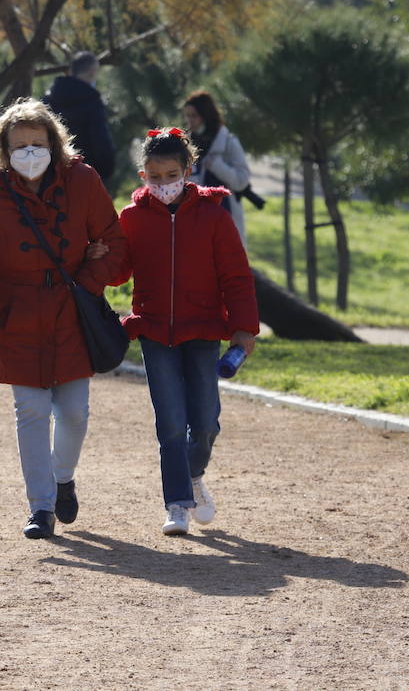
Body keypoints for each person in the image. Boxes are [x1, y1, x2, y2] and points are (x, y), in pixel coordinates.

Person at [0, 98, 127, 540]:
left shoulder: (82, 180)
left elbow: (115, 244)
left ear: (55, 143)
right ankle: (41, 506)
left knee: (75, 412)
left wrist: (89, 278)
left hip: (71, 312)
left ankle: (62, 478)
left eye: (38, 143)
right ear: (4, 150)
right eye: (20, 145)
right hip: (14, 314)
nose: (30, 152)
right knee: (30, 411)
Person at [110, 127, 259, 536]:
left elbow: (236, 276)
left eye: (171, 175)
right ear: (143, 174)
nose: (163, 185)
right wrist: (100, 254)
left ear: (189, 170)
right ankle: (176, 503)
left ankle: (193, 476)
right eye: (153, 177)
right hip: (155, 333)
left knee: (207, 422)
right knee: (171, 423)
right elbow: (120, 273)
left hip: (203, 331)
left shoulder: (214, 215)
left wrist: (244, 329)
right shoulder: (131, 217)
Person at [183, 90, 256, 245]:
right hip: (195, 221)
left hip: (226, 218)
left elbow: (242, 180)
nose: (190, 121)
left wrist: (217, 166)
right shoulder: (186, 144)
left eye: (193, 116)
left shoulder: (229, 143)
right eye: (187, 116)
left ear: (205, 115)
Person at [43, 51, 115, 183]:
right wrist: (106, 169)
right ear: (92, 72)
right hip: (85, 172)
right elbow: (100, 138)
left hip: (51, 172)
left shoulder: (48, 99)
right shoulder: (92, 101)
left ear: (71, 71)